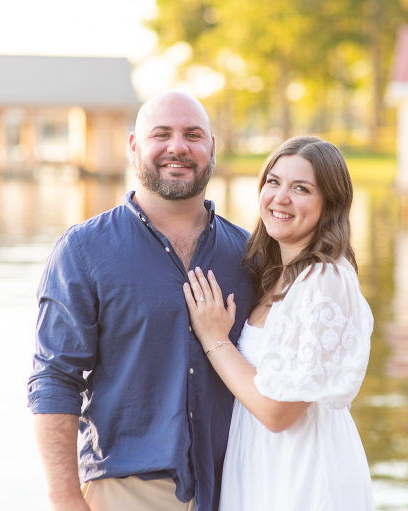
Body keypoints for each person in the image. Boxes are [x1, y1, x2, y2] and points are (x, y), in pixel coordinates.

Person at [27, 90, 256, 511]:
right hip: (127, 492)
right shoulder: (83, 251)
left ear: (211, 147)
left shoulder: (248, 255)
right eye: (161, 134)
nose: (178, 147)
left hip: (235, 490)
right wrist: (65, 500)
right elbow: (55, 380)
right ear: (134, 146)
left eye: (193, 135)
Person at [182, 136, 374, 510]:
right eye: (273, 181)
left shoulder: (325, 280)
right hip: (264, 464)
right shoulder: (279, 276)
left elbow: (277, 411)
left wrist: (214, 338)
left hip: (300, 473)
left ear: (329, 204)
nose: (280, 198)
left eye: (301, 188)